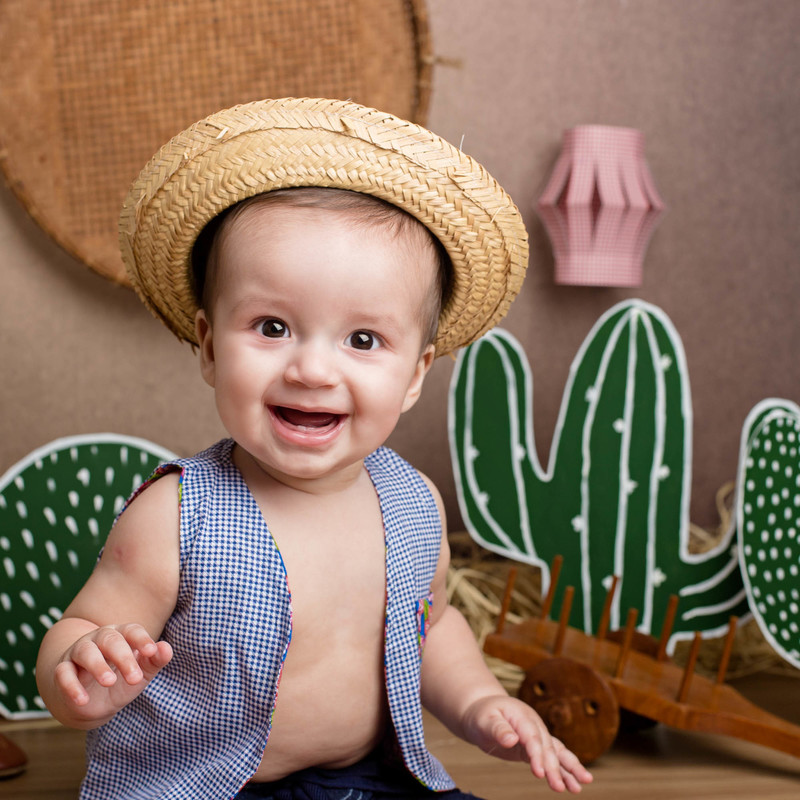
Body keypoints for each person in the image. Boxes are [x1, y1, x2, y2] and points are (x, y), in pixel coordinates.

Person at [36, 97, 593, 799]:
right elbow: (86, 624)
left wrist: (482, 704)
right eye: (272, 327)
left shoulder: (414, 505)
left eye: (363, 340)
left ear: (416, 374)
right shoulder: (175, 518)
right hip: (204, 787)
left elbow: (434, 626)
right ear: (209, 347)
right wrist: (82, 671)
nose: (312, 370)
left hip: (367, 781)